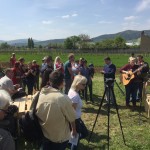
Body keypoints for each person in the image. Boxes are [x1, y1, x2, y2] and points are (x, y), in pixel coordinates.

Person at [36, 71, 76, 150]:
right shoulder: (63, 98)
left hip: (43, 134)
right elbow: (72, 118)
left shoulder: (40, 94)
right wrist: (74, 130)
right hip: (58, 138)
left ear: (49, 81)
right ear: (62, 82)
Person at [68, 74, 88, 150]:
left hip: (78, 118)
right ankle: (72, 142)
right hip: (75, 120)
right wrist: (74, 129)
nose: (85, 86)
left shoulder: (72, 90)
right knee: (75, 143)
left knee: (85, 133)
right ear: (78, 84)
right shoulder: (75, 96)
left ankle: (70, 141)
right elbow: (72, 113)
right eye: (83, 84)